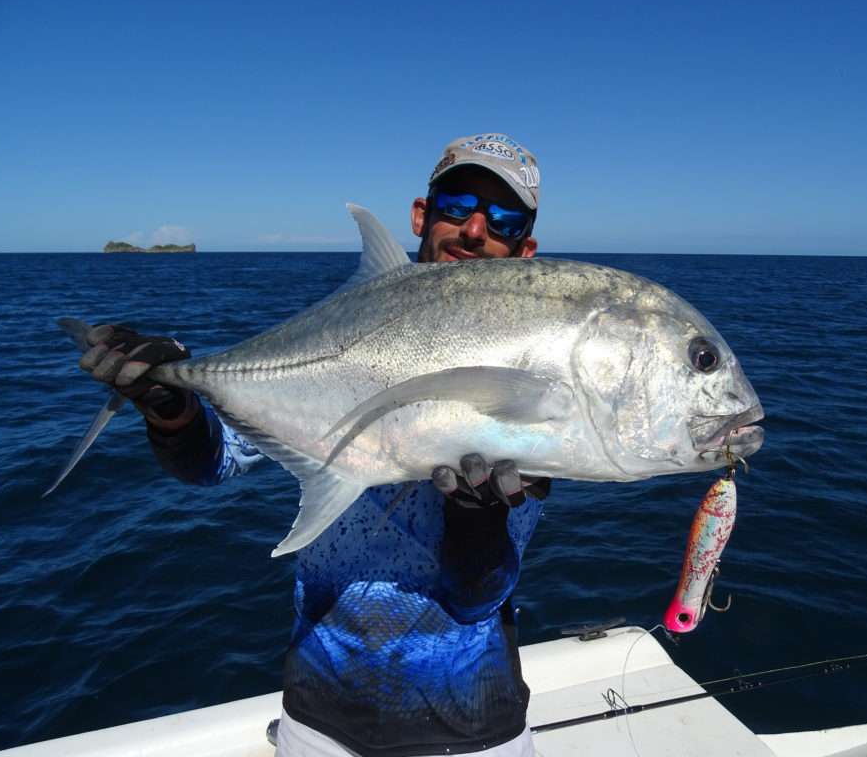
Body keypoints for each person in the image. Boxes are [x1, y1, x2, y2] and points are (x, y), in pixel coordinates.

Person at [78, 134, 550, 757]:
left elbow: (478, 595)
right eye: (458, 205)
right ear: (421, 215)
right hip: (317, 722)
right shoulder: (339, 333)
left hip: (471, 727)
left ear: (525, 250)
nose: (475, 230)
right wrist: (174, 407)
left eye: (504, 218)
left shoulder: (527, 372)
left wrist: (476, 521)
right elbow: (214, 462)